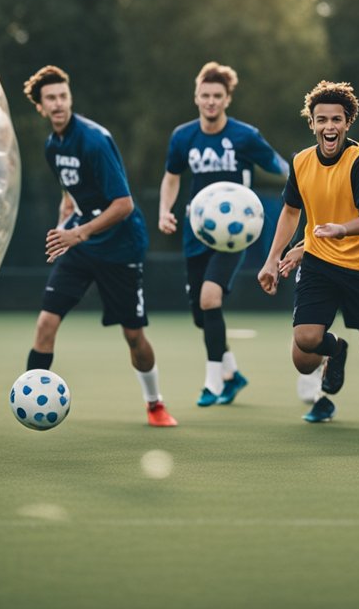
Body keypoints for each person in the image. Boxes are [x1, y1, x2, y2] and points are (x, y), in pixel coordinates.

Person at [23, 65, 176, 427]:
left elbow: (123, 205)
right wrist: (64, 227)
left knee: (133, 334)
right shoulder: (52, 146)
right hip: (80, 243)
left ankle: (154, 403)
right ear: (41, 107)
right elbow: (69, 191)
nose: (58, 104)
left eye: (63, 96)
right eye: (51, 99)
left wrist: (78, 233)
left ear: (69, 98)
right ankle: (28, 400)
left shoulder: (94, 139)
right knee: (46, 323)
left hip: (121, 246)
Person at [257, 80, 359, 429]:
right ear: (311, 123)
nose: (329, 127)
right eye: (321, 120)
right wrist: (273, 258)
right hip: (319, 265)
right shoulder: (300, 162)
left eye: (336, 120)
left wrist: (341, 228)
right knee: (304, 346)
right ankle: (336, 349)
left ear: (347, 122)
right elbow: (291, 212)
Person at [158, 62, 287, 407]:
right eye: (205, 96)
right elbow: (172, 176)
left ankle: (212, 384)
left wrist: (307, 181)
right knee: (201, 315)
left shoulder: (245, 136)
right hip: (196, 232)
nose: (211, 102)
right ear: (196, 97)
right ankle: (232, 374)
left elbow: (282, 168)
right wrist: (164, 210)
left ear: (227, 99)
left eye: (218, 96)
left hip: (235, 236)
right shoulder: (183, 136)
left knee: (209, 299)